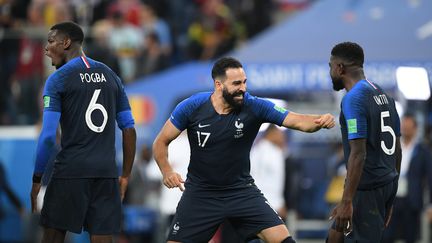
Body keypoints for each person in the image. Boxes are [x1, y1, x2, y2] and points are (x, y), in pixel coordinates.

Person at [152, 56, 335, 243]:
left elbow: (296, 120)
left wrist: (319, 120)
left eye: (245, 82)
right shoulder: (192, 107)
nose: (243, 88)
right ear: (218, 85)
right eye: (237, 83)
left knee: (284, 240)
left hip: (241, 191)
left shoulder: (253, 105)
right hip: (201, 194)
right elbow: (160, 142)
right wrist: (166, 171)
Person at [29, 22, 136, 243]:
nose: (46, 48)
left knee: (52, 236)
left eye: (50, 41)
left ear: (66, 42)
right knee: (102, 237)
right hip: (106, 172)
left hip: (71, 170)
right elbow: (129, 128)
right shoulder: (112, 76)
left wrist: (37, 178)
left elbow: (49, 137)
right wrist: (125, 174)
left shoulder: (57, 80)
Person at [326, 42, 402, 243]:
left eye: (330, 66)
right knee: (334, 237)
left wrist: (347, 201)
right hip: (385, 182)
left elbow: (358, 153)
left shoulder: (354, 98)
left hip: (367, 188)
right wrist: (390, 195)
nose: (330, 72)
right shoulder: (384, 95)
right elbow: (397, 149)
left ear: (340, 68)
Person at [382, 113, 432, 243]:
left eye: (408, 127)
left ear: (415, 128)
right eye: (403, 126)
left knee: (410, 236)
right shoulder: (392, 147)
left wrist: (430, 205)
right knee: (387, 235)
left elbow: (430, 178)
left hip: (412, 200)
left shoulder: (422, 150)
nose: (405, 129)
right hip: (392, 199)